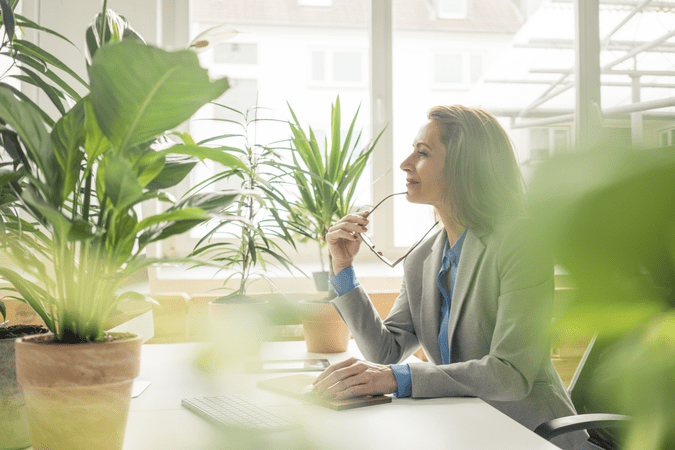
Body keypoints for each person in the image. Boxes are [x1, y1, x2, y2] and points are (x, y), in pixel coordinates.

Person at [312, 105, 590, 450]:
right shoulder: (423, 256)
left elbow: (510, 374)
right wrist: (343, 269)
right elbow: (386, 353)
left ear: (464, 167)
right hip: (466, 426)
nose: (405, 164)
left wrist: (396, 379)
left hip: (533, 434)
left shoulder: (521, 240)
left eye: (423, 153)